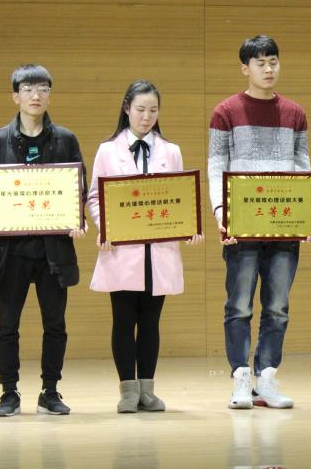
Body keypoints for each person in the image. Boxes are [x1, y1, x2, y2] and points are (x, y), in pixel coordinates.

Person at [208, 35, 311, 410]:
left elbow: (302, 166)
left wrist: (309, 215)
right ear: (245, 68)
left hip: (285, 224)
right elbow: (216, 166)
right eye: (260, 63)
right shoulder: (225, 112)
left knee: (278, 307)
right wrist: (221, 213)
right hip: (241, 224)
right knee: (239, 305)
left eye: (273, 61)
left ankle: (266, 379)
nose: (268, 69)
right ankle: (241, 379)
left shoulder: (295, 113)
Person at [0, 64, 86, 416]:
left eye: (42, 89)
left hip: (54, 250)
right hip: (10, 252)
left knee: (55, 325)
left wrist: (77, 219)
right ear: (15, 96)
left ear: (50, 95)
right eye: (28, 89)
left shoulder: (65, 139)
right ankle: (8, 393)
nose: (36, 95)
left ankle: (50, 391)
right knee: (7, 324)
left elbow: (78, 189)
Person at [86, 80, 203, 413]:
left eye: (153, 110)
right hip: (122, 250)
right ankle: (128, 390)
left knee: (151, 322)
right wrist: (105, 226)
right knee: (123, 320)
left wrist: (189, 228)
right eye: (140, 109)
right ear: (127, 109)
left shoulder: (171, 150)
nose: (146, 116)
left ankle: (147, 390)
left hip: (160, 250)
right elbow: (94, 196)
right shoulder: (108, 150)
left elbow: (180, 197)